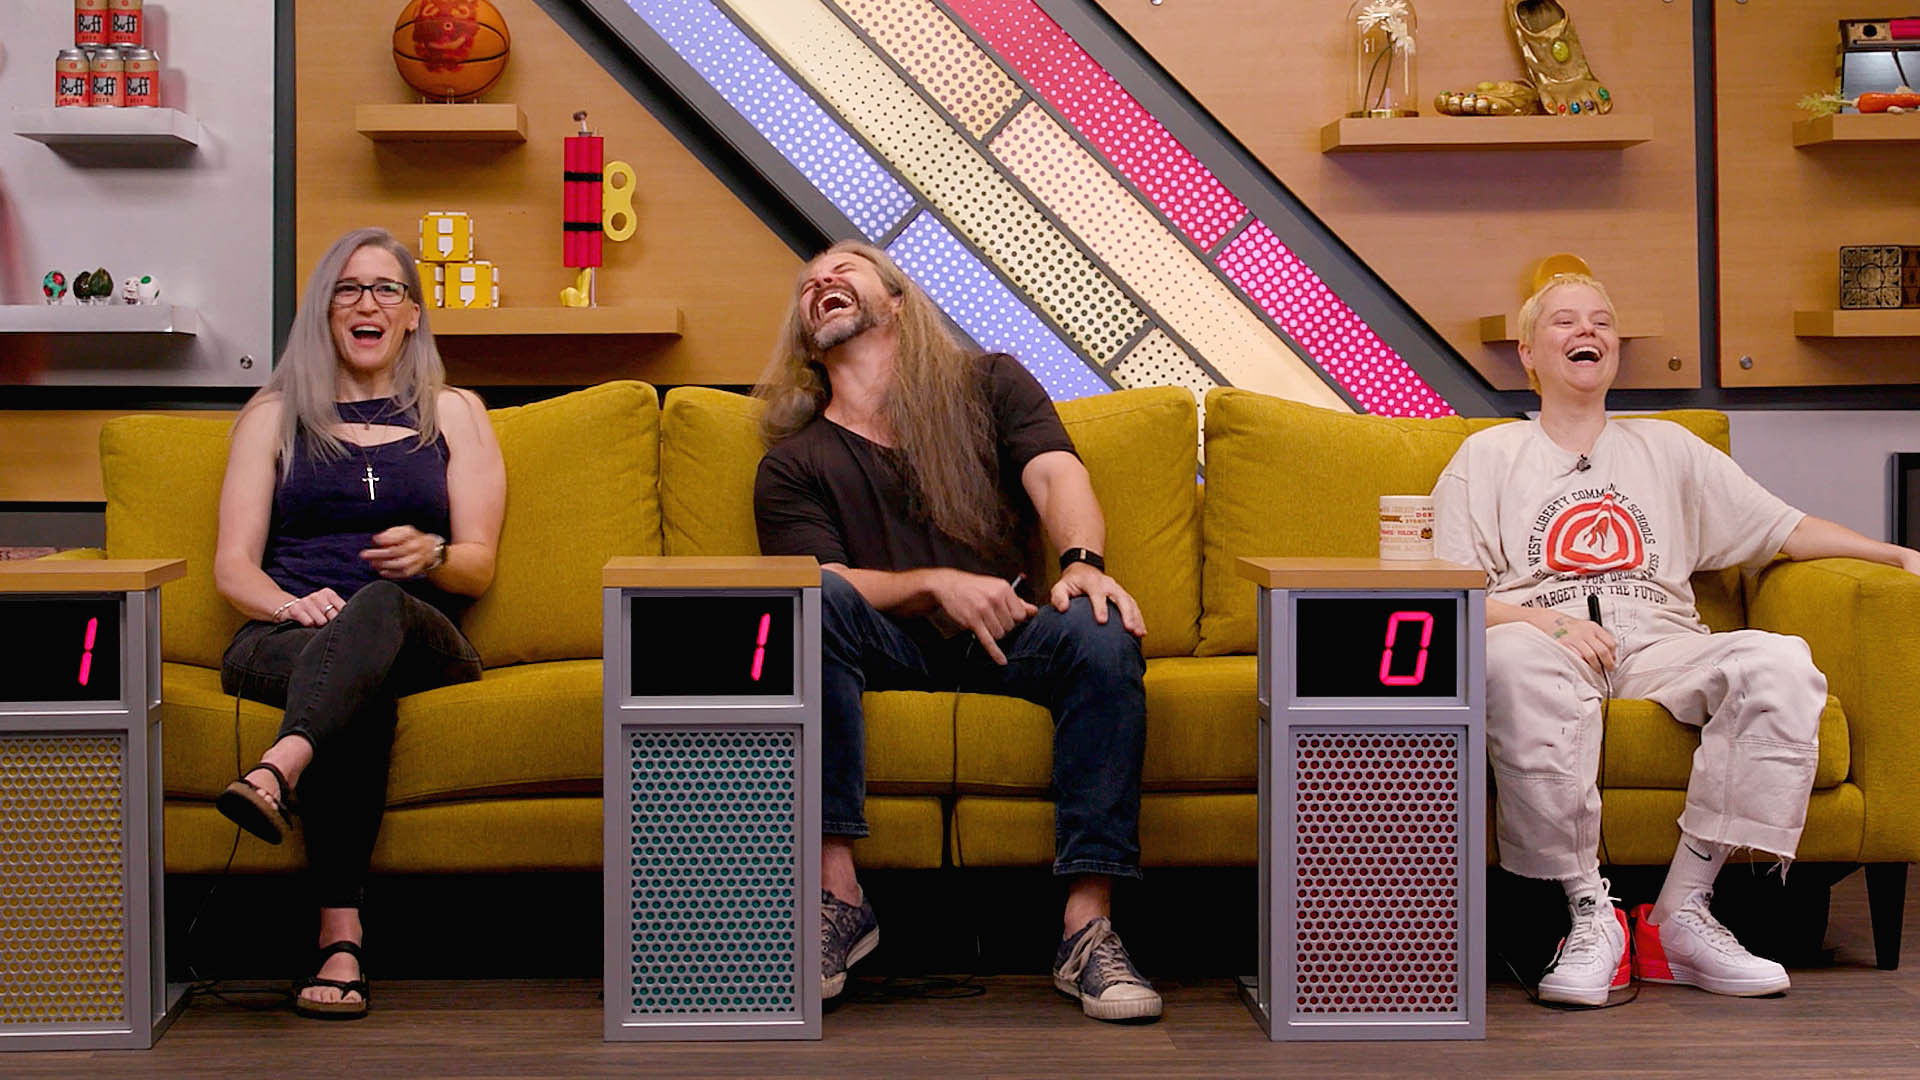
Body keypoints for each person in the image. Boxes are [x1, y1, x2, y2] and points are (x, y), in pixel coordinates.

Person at [1433, 273, 1920, 1007]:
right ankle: (1587, 915)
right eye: (1565, 321)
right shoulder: (1488, 457)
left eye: (1602, 321)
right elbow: (1446, 590)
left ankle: (1681, 913)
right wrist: (1546, 621)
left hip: (1662, 642)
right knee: (1508, 661)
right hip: (1542, 639)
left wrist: (1896, 555)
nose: (1587, 331)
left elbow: (1782, 527)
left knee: (1779, 662)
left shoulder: (1669, 448)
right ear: (1528, 352)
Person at [752, 240, 1159, 1022]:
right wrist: (933, 583)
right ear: (806, 335)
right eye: (808, 282)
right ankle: (838, 899)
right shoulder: (793, 464)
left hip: (1011, 630)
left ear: (897, 300)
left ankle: (1088, 929)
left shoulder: (990, 383)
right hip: (883, 644)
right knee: (809, 599)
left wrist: (1082, 563)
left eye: (845, 268)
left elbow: (1056, 472)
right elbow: (823, 578)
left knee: (1102, 629)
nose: (821, 279)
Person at [211, 227, 505, 1019]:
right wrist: (287, 605)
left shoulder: (455, 412)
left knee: (376, 603)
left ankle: (278, 768)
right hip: (287, 634)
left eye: (385, 289)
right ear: (324, 310)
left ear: (412, 314)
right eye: (347, 289)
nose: (366, 303)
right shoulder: (273, 415)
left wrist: (432, 554)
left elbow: (478, 565)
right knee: (353, 684)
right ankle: (341, 940)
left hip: (419, 631)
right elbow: (232, 566)